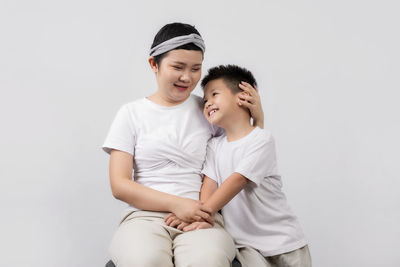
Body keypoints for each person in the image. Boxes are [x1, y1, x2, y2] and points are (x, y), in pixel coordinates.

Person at [102, 23, 264, 267]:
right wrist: (177, 204)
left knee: (207, 260)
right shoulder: (131, 113)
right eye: (177, 67)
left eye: (196, 68)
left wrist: (258, 118)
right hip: (143, 218)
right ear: (154, 64)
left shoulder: (209, 111)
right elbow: (120, 185)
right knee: (145, 260)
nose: (187, 77)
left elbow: (246, 157)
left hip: (201, 216)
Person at [167, 64, 311, 267]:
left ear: (243, 96)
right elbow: (209, 183)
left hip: (284, 242)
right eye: (205, 100)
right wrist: (202, 217)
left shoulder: (262, 139)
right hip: (246, 246)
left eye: (215, 95)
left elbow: (238, 180)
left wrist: (204, 212)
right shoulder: (214, 146)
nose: (207, 103)